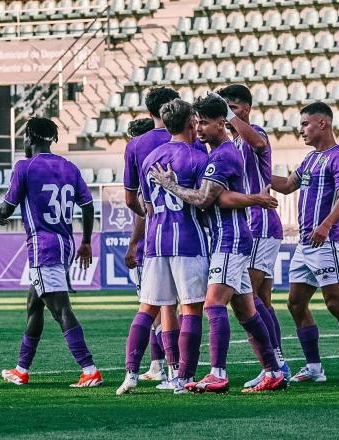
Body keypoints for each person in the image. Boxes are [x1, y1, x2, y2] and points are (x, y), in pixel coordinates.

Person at [150, 95, 284, 393]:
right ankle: (273, 371)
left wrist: (170, 184)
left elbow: (205, 198)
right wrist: (255, 199)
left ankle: (218, 373)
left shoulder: (223, 155)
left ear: (221, 123)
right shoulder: (219, 153)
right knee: (247, 310)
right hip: (232, 237)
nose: (198, 128)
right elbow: (219, 197)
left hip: (229, 238)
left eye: (204, 123)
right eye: (195, 122)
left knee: (212, 304)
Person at [271, 101, 339, 385]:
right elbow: (287, 185)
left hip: (326, 242)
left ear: (322, 124)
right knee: (295, 303)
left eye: (305, 124)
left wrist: (326, 225)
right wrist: (255, 174)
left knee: (335, 303)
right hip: (306, 244)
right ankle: (315, 368)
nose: (301, 130)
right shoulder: (309, 160)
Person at [0, 117, 103, 388]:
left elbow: (7, 207)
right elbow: (88, 205)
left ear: (30, 137)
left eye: (24, 137)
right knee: (34, 304)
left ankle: (89, 370)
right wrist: (86, 241)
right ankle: (21, 369)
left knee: (60, 309)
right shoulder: (69, 167)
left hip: (43, 247)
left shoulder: (25, 167)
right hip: (65, 244)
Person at [116, 99, 211, 396]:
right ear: (190, 123)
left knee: (146, 309)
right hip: (188, 240)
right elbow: (203, 202)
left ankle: (131, 374)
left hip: (155, 242)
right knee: (191, 310)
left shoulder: (149, 158)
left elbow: (145, 206)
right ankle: (183, 378)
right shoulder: (197, 156)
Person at [217, 85, 290, 386]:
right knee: (260, 299)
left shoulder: (253, 132)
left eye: (232, 106)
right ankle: (277, 361)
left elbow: (258, 142)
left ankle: (274, 363)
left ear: (244, 108)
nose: (227, 113)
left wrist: (229, 117)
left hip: (259, 222)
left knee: (246, 298)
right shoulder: (233, 141)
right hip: (251, 222)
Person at [124, 116, 166, 382]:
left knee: (151, 308)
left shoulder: (143, 166)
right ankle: (163, 365)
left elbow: (140, 211)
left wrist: (133, 245)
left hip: (151, 247)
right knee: (166, 309)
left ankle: (159, 366)